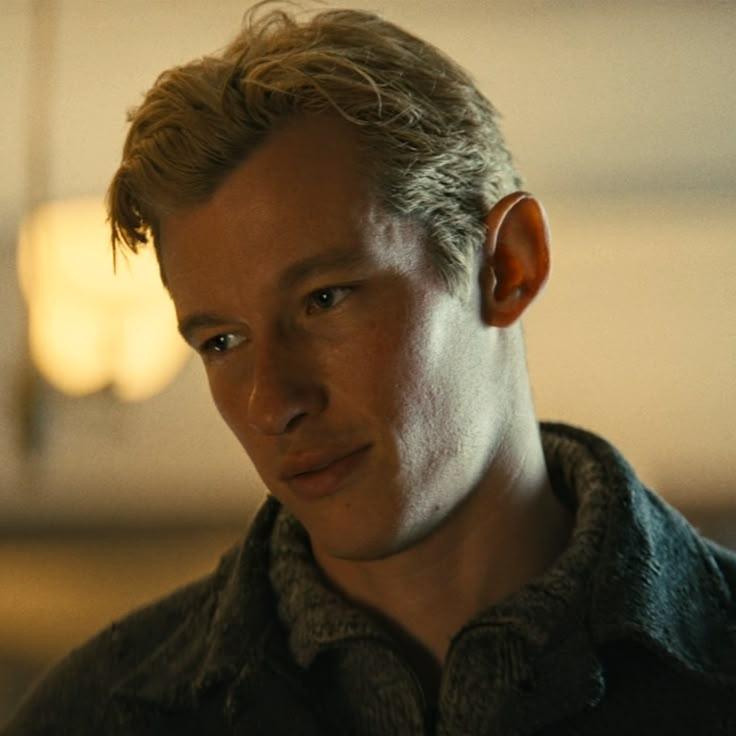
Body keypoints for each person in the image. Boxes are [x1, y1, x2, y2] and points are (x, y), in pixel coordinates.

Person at [5, 5, 736, 735]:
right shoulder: (96, 716)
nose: (272, 403)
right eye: (221, 341)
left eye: (325, 299)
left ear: (509, 265)